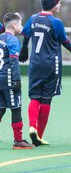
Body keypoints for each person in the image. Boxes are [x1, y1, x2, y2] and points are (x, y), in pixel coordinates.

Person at [19, 0, 71, 146]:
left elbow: (26, 36)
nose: (60, 5)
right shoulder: (56, 22)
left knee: (34, 97)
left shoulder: (33, 18)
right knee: (46, 99)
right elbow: (64, 41)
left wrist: (24, 51)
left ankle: (32, 126)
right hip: (51, 65)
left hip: (35, 63)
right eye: (58, 2)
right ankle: (40, 135)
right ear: (52, 5)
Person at [0, 13, 33, 149]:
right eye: (20, 23)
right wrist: (16, 81)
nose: (21, 26)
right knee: (16, 108)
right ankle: (18, 140)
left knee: (1, 107)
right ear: (14, 25)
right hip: (8, 78)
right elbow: (13, 62)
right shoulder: (13, 40)